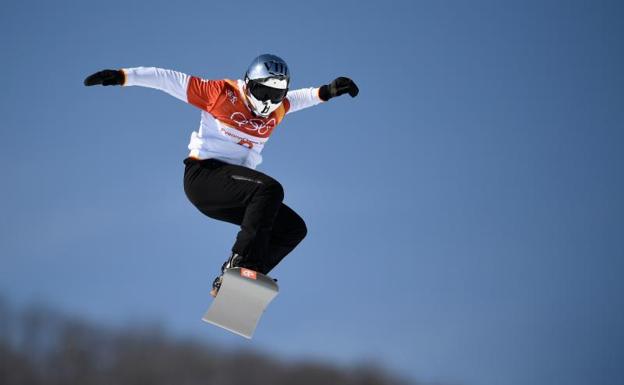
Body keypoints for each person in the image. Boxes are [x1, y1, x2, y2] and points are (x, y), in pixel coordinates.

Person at [84, 54, 359, 297]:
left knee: (293, 228)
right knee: (270, 190)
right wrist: (123, 76)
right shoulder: (220, 92)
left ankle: (242, 279)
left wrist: (327, 91)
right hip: (204, 176)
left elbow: (297, 99)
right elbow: (166, 79)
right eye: (262, 92)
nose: (267, 102)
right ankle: (238, 264)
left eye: (275, 95)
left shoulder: (278, 108)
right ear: (249, 83)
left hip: (236, 191)